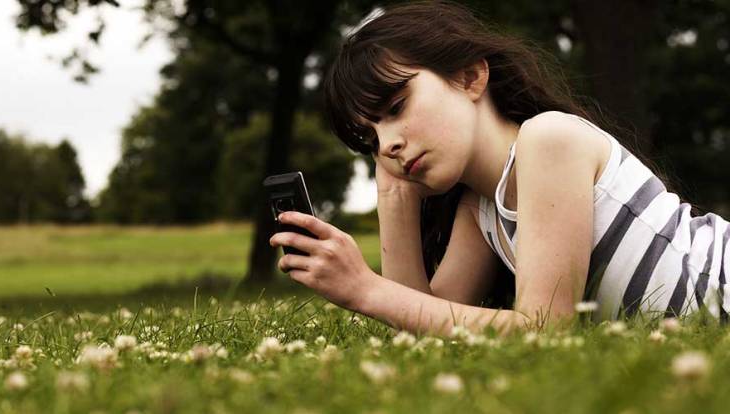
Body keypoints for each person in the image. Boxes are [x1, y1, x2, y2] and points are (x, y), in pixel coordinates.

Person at [268, 0, 730, 337]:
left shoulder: (548, 139)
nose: (387, 143)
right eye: (370, 139)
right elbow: (421, 327)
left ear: (470, 77)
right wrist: (394, 196)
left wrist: (364, 289)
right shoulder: (482, 211)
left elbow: (545, 332)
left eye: (396, 106)